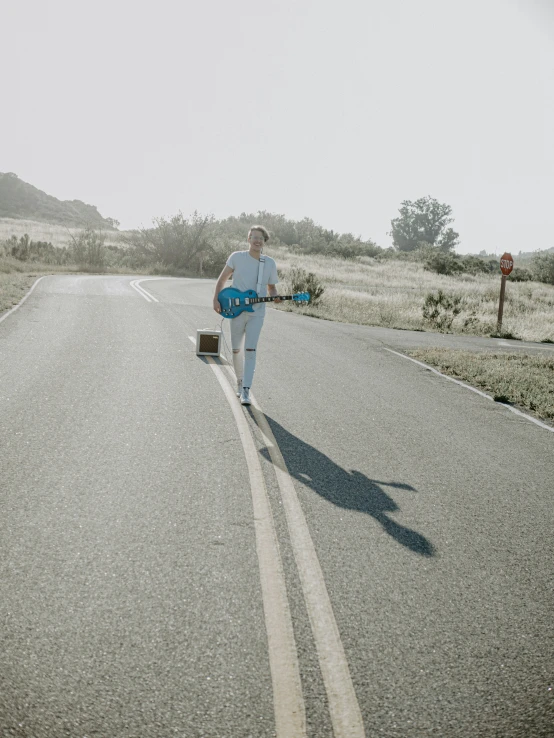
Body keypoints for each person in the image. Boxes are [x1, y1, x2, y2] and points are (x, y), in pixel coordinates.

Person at [213, 225, 280, 405]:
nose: (257, 241)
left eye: (261, 238)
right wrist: (216, 299)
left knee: (250, 350)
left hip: (257, 313)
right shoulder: (237, 257)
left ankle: (246, 390)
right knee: (236, 349)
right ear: (248, 239)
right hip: (235, 310)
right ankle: (239, 381)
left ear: (264, 242)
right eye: (254, 237)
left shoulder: (270, 263)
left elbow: (272, 289)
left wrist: (276, 298)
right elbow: (222, 279)